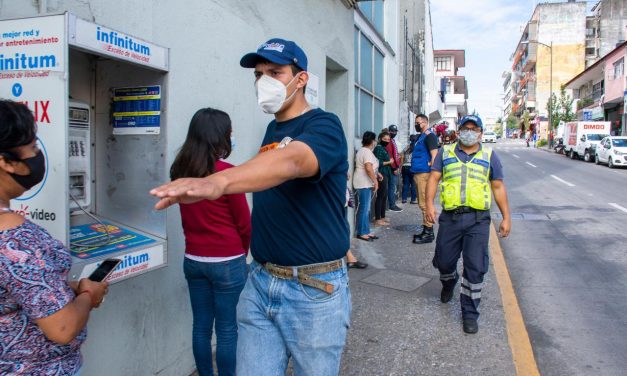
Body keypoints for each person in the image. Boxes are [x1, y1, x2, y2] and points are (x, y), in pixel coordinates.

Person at [150, 38, 350, 376]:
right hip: (262, 279)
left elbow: (294, 161)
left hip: (313, 288)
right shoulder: (273, 128)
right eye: (259, 74)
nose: (264, 82)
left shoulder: (324, 124)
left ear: (300, 79)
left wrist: (217, 182)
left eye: (275, 72)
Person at [0, 100, 109, 375]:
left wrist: (64, 288)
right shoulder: (16, 241)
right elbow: (63, 328)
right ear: (6, 162)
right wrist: (87, 294)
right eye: (33, 147)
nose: (38, 154)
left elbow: (15, 291)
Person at [170, 108, 251, 376]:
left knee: (201, 327)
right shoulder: (226, 174)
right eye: (229, 132)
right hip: (228, 261)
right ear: (220, 136)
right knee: (227, 328)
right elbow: (244, 223)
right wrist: (243, 254)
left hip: (194, 259)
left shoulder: (180, 172)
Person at [425, 114, 511, 334]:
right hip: (450, 218)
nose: (469, 132)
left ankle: (470, 313)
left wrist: (506, 217)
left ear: (480, 132)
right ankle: (448, 281)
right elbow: (434, 178)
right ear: (459, 130)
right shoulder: (445, 152)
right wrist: (428, 206)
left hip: (478, 220)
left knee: (475, 268)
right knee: (444, 261)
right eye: (465, 128)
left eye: (474, 128)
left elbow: (498, 187)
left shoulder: (490, 155)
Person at [410, 114, 439, 244]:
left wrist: (432, 169)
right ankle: (427, 229)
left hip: (424, 174)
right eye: (416, 122)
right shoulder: (421, 137)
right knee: (422, 202)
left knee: (424, 203)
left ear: (425, 122)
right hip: (418, 173)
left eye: (419, 122)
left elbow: (435, 155)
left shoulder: (429, 136)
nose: (416, 124)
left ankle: (428, 232)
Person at [352, 131, 379, 242]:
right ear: (372, 141)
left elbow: (369, 167)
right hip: (363, 183)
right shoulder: (366, 152)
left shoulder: (363, 151)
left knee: (366, 208)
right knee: (364, 208)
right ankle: (362, 232)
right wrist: (375, 181)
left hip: (364, 182)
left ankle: (366, 230)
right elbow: (368, 168)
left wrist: (378, 174)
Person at [373, 131, 393, 227]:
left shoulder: (383, 148)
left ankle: (382, 216)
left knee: (384, 196)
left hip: (386, 173)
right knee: (380, 196)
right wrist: (389, 162)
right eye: (385, 139)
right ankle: (377, 218)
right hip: (381, 174)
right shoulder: (378, 148)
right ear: (380, 139)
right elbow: (377, 162)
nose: (387, 141)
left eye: (388, 139)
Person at [385, 125, 403, 212]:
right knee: (391, 187)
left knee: (392, 187)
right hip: (391, 168)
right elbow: (390, 156)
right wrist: (394, 168)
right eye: (392, 131)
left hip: (394, 166)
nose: (394, 133)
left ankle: (391, 205)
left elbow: (395, 154)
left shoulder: (392, 141)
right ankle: (392, 205)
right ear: (389, 131)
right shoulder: (388, 141)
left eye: (395, 131)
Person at [400, 134, 418, 204]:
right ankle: (413, 199)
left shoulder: (406, 147)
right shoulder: (416, 148)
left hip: (405, 167)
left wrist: (401, 165)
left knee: (405, 184)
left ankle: (404, 199)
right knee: (413, 184)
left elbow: (401, 156)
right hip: (413, 167)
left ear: (410, 139)